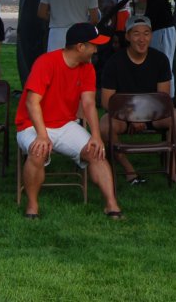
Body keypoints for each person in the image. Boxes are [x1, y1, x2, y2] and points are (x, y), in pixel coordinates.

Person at [16, 22, 123, 219]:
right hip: (31, 125)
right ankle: (32, 206)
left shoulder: (88, 68)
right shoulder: (46, 62)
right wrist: (42, 135)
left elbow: (89, 104)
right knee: (38, 151)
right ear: (80, 47)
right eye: (93, 45)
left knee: (96, 151)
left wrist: (96, 136)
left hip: (65, 124)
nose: (96, 50)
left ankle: (112, 205)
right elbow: (32, 102)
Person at [98, 15, 176, 184]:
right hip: (123, 116)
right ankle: (129, 170)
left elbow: (163, 98)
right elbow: (106, 101)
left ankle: (172, 169)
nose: (142, 39)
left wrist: (144, 118)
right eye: (136, 34)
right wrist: (131, 118)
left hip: (154, 115)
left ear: (151, 35)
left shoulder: (160, 59)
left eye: (146, 33)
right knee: (104, 124)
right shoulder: (114, 62)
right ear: (127, 36)